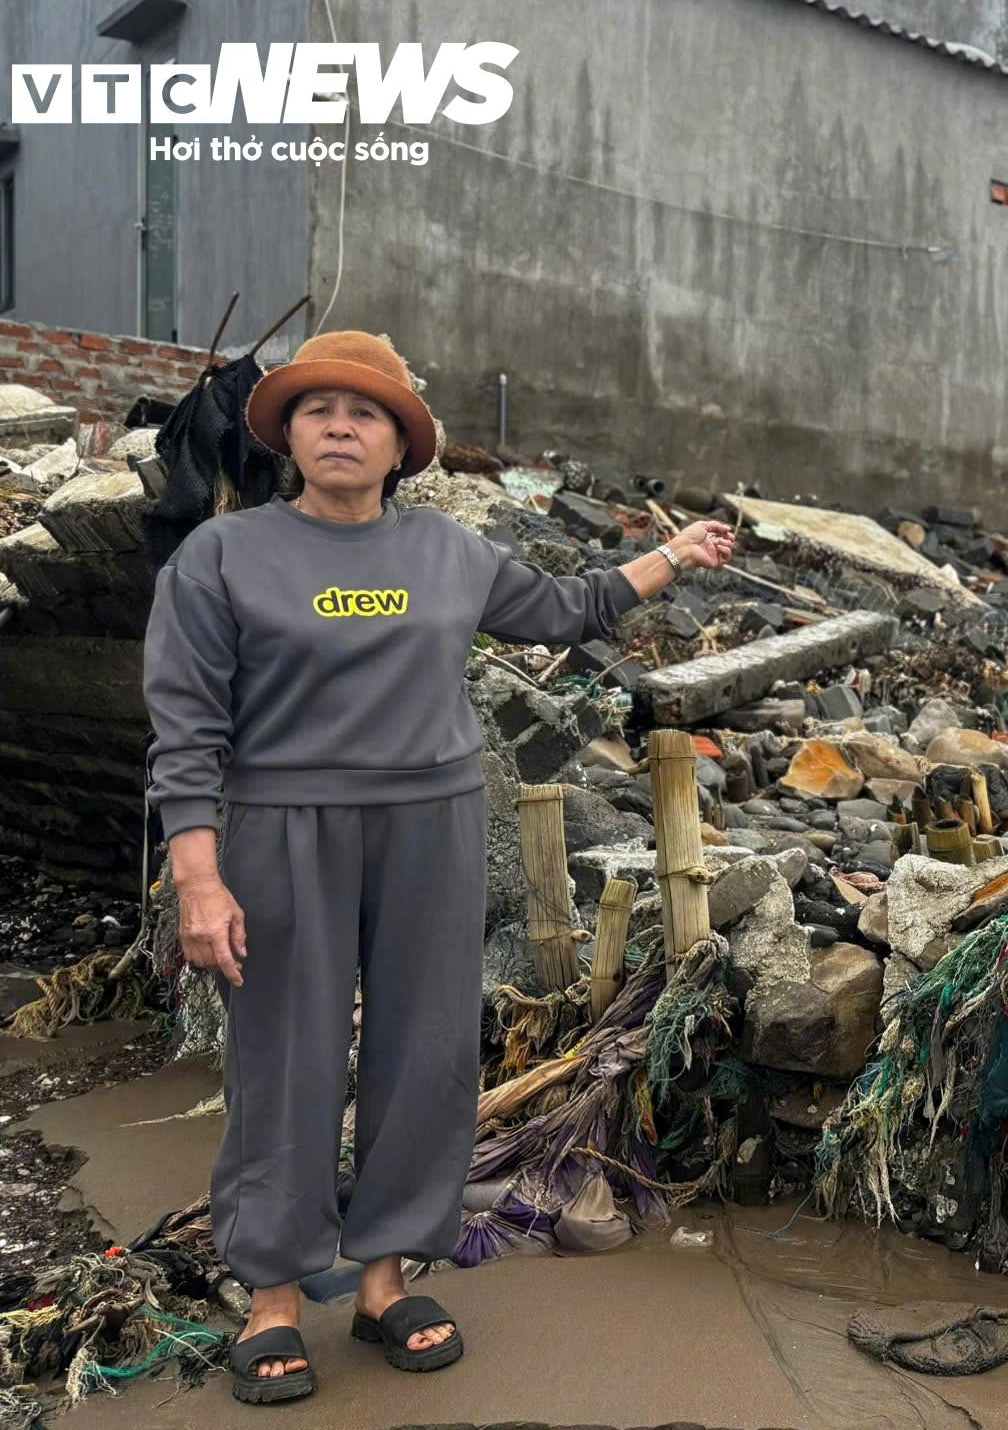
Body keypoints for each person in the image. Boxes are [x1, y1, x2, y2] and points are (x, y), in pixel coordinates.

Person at [142, 330, 736, 1404]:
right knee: (287, 1059)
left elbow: (567, 608)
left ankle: (383, 1281)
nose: (338, 425)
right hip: (281, 828)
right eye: (317, 408)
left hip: (431, 826)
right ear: (286, 433)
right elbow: (183, 729)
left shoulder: (451, 556)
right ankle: (273, 1295)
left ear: (399, 445)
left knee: (423, 1056)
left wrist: (673, 556)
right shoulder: (221, 558)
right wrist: (198, 875)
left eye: (364, 413)